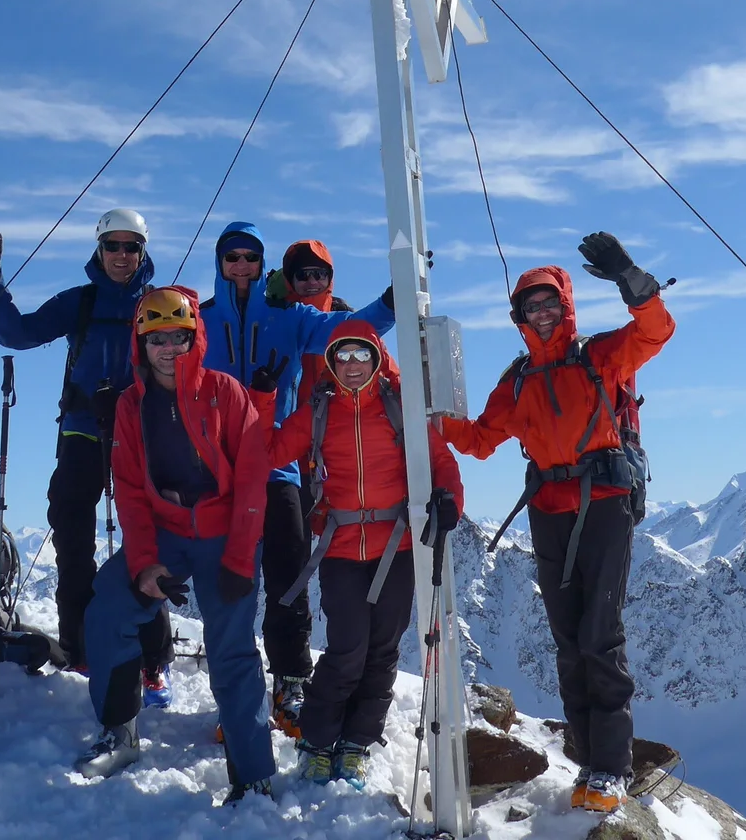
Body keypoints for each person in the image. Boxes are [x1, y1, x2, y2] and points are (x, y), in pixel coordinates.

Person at [439, 233, 673, 816]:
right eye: (530, 308)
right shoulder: (517, 381)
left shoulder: (601, 356)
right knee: (569, 642)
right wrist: (425, 414)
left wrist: (630, 279)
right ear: (519, 317)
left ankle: (611, 769)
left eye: (549, 305)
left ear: (565, 308)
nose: (541, 315)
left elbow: (656, 331)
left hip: (605, 502)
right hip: (548, 511)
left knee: (600, 635)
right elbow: (480, 441)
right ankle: (588, 763)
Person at [77, 285, 276, 804]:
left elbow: (253, 480)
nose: (168, 349)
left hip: (222, 532)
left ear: (195, 339)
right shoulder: (130, 405)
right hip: (165, 531)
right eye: (157, 338)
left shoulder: (226, 393)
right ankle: (119, 732)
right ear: (140, 343)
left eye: (178, 338)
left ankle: (252, 772)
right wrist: (143, 565)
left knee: (231, 648)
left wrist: (238, 558)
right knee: (109, 610)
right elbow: (130, 488)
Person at [0, 210, 171, 697]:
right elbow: (14, 333)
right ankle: (81, 651)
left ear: (144, 252)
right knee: (74, 543)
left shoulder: (158, 305)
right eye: (113, 246)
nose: (122, 256)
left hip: (142, 437)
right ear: (98, 250)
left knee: (147, 546)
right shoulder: (80, 303)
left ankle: (152, 660)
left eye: (131, 247)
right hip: (82, 432)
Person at [200, 221, 395, 734]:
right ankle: (237, 695)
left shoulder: (291, 318)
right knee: (231, 586)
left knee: (288, 575)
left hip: (276, 467)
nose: (241, 265)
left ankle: (289, 682)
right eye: (232, 257)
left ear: (262, 266)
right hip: (217, 472)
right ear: (220, 264)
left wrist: (393, 302)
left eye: (250, 257)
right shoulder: (201, 319)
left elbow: (351, 326)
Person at [266, 322, 463, 789]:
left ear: (376, 361)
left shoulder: (399, 410)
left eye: (361, 356)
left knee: (382, 651)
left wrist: (450, 497)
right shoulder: (318, 412)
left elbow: (441, 461)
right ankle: (317, 741)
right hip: (339, 546)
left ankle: (356, 743)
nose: (352, 366)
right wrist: (259, 400)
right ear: (332, 363)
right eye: (343, 357)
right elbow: (270, 450)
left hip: (395, 545)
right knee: (347, 648)